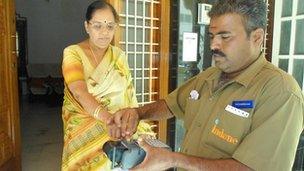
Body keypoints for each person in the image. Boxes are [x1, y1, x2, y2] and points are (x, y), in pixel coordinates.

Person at [111, 0, 304, 170]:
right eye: (212, 36)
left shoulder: (281, 92)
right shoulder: (209, 77)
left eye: (225, 36)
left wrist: (173, 160)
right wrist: (138, 113)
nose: (213, 45)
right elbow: (171, 104)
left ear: (257, 37)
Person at [61, 1, 154, 170]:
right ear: (87, 26)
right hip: (85, 132)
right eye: (97, 26)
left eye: (110, 26)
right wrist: (108, 119)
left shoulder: (119, 56)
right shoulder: (72, 53)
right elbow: (79, 92)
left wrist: (130, 122)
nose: (104, 32)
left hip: (118, 131)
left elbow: (129, 94)